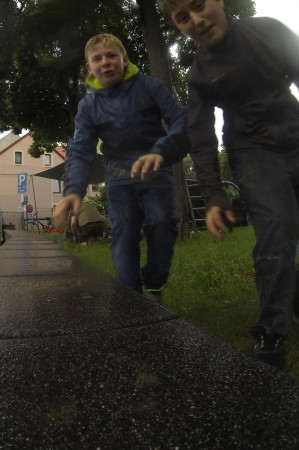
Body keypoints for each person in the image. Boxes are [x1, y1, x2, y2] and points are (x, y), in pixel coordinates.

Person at [158, 0, 299, 369]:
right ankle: (272, 328)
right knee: (277, 229)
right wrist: (213, 193)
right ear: (177, 26)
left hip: (298, 141)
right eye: (183, 18)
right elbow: (200, 135)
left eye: (199, 5)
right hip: (252, 152)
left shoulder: (267, 30)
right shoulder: (199, 74)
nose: (197, 20)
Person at [53, 33, 189, 302]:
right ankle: (130, 298)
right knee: (124, 235)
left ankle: (154, 283)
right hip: (118, 176)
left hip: (155, 169)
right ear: (89, 67)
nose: (105, 62)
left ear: (124, 60)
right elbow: (80, 149)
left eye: (111, 56)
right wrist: (73, 190)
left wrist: (162, 151)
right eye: (97, 59)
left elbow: (180, 120)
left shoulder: (150, 87)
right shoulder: (89, 105)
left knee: (162, 224)